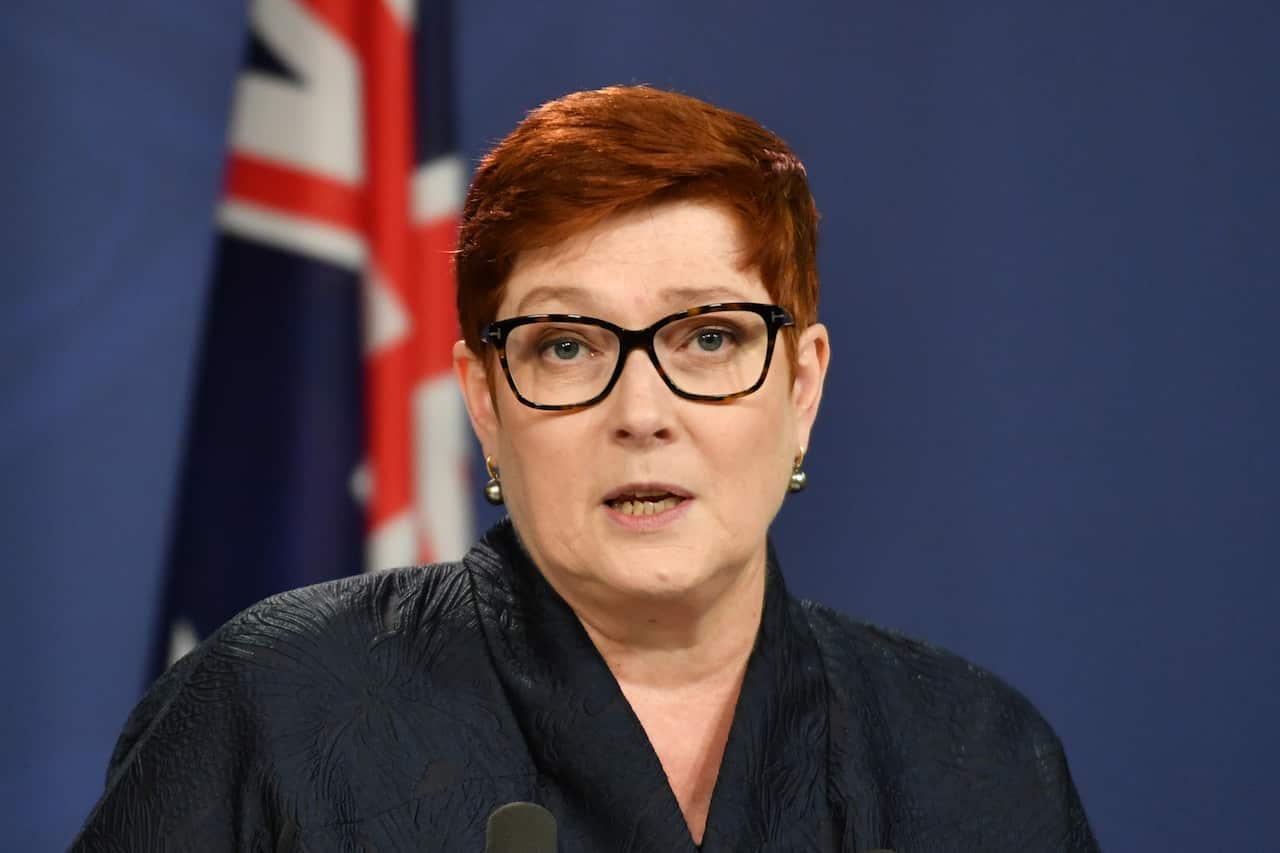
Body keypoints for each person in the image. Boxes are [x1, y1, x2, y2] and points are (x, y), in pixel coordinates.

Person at [72, 85, 1098, 852]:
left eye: (706, 338)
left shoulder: (974, 759)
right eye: (566, 346)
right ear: (483, 399)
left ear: (800, 387)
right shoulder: (269, 707)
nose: (640, 414)